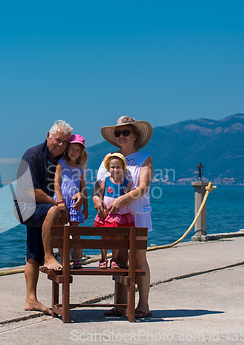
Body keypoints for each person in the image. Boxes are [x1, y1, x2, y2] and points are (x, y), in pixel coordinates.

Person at [14, 120, 85, 315]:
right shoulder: (33, 155)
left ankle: (31, 299)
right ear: (48, 136)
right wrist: (57, 204)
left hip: (45, 207)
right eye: (57, 140)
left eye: (64, 141)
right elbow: (31, 191)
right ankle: (49, 257)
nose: (61, 145)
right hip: (25, 206)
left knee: (32, 253)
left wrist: (80, 194)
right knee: (55, 212)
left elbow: (72, 180)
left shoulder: (62, 158)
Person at [93, 115, 153, 318]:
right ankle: (120, 305)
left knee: (138, 259)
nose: (121, 135)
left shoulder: (144, 158)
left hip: (137, 213)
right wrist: (96, 200)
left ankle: (143, 305)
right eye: (118, 133)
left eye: (125, 132)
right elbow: (98, 186)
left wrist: (123, 200)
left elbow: (143, 187)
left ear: (135, 136)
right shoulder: (108, 159)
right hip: (113, 217)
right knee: (118, 258)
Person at [53, 134, 89, 269]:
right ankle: (64, 261)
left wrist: (86, 207)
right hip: (61, 202)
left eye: (78, 150)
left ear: (81, 153)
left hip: (75, 203)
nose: (74, 152)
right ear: (67, 149)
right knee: (61, 233)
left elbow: (83, 188)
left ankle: (77, 260)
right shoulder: (61, 163)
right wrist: (59, 201)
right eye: (72, 149)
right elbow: (56, 183)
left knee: (76, 233)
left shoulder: (80, 168)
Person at [94, 152, 134, 269]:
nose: (115, 169)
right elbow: (99, 195)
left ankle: (114, 259)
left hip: (118, 215)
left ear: (123, 169)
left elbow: (127, 199)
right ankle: (103, 259)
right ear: (108, 168)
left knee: (116, 237)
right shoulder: (105, 180)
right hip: (106, 214)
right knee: (105, 236)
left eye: (118, 167)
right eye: (112, 167)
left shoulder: (126, 183)